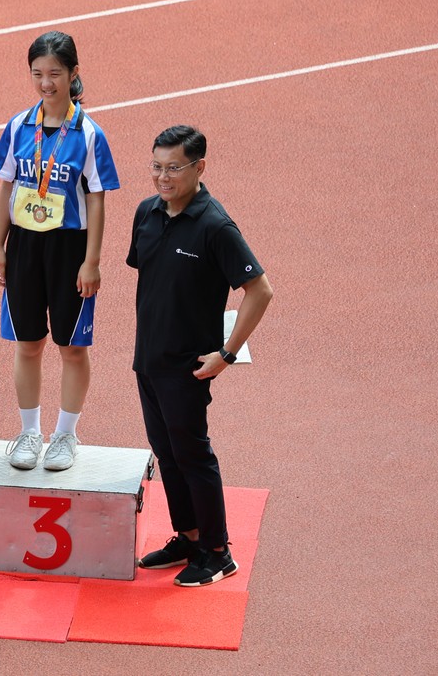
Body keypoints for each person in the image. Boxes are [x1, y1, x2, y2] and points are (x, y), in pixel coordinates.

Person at [128, 125, 273, 587]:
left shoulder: (215, 226)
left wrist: (226, 355)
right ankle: (189, 536)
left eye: (174, 168)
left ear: (199, 168)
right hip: (148, 359)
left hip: (188, 367)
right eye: (156, 166)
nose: (163, 177)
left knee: (192, 455)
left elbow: (260, 290)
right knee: (167, 453)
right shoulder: (147, 212)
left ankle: (217, 552)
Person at [0, 32, 120, 471]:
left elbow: (97, 199)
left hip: (69, 249)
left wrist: (92, 261)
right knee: (27, 344)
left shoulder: (89, 134)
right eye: (38, 74)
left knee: (72, 347)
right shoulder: (17, 127)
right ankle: (29, 432)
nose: (46, 83)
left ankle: (65, 434)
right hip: (24, 245)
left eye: (55, 74)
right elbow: (7, 187)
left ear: (73, 73)